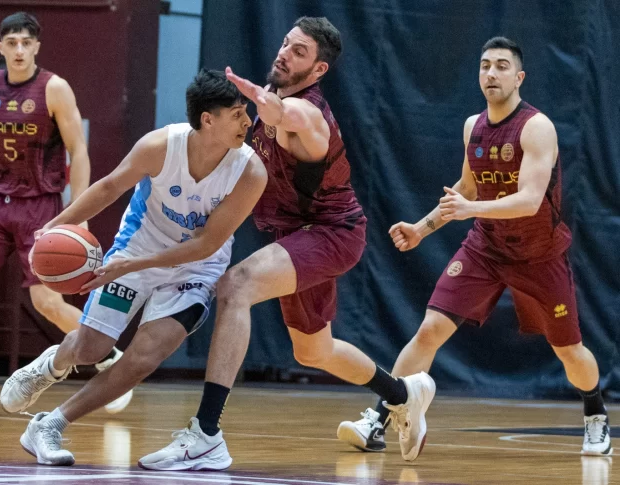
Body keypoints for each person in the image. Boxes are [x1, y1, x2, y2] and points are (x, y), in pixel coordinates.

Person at [139, 17, 435, 472]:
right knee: (313, 351)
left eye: (299, 52)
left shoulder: (307, 114)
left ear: (318, 70)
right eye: (285, 44)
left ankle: (206, 435)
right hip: (296, 235)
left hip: (332, 232)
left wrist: (263, 101)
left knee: (236, 285)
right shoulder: (267, 101)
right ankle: (403, 393)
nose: (284, 53)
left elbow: (285, 117)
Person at [338, 36, 612, 457]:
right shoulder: (473, 126)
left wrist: (470, 207)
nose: (491, 73)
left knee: (569, 351)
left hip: (539, 254)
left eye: (502, 66)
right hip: (485, 247)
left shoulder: (537, 127)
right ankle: (380, 414)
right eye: (485, 65)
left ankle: (595, 413)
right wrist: (421, 228)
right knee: (429, 329)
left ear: (519, 77)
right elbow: (465, 188)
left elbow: (530, 200)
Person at [0, 69, 267, 466]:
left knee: (143, 358)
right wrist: (55, 226)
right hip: (139, 245)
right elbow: (108, 187)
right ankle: (53, 363)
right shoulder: (160, 146)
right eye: (237, 113)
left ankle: (48, 425)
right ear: (207, 119)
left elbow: (206, 244)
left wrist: (131, 266)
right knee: (90, 349)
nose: (248, 122)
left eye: (247, 112)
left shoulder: (250, 170)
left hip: (196, 267)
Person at [0, 12, 131, 416]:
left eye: (25, 43)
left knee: (47, 303)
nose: (18, 49)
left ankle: (108, 359)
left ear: (36, 47)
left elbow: (78, 152)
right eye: (11, 42)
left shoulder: (54, 89)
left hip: (41, 207)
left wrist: (78, 212)